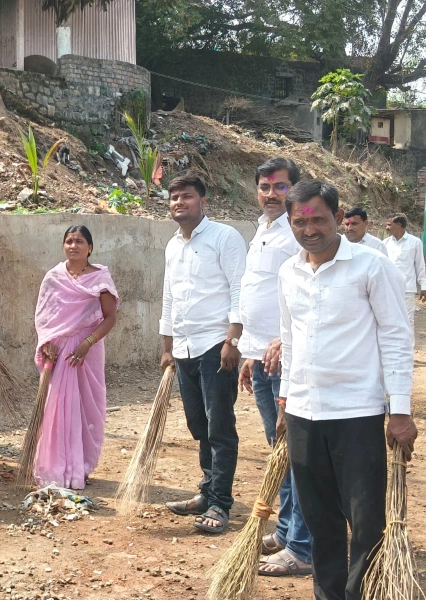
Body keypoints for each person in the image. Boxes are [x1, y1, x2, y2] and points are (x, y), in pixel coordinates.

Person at [277, 180, 417, 600]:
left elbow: (396, 337)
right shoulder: (288, 271)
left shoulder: (372, 267)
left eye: (318, 219)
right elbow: (289, 337)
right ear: (290, 222)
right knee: (321, 520)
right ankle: (329, 593)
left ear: (338, 218)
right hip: (305, 412)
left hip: (357, 412)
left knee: (367, 520)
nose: (309, 229)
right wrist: (285, 401)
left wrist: (401, 411)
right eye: (299, 221)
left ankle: (362, 592)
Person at [236, 158, 312, 576]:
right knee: (279, 450)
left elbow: (305, 294)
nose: (271, 194)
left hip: (288, 359)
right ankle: (287, 530)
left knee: (297, 454)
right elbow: (261, 295)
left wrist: (284, 341)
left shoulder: (300, 231)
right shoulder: (263, 229)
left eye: (280, 187)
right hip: (261, 357)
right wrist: (249, 349)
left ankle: (303, 546)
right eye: (265, 186)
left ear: (293, 191)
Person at [160, 173, 246, 534]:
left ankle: (220, 505)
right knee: (199, 424)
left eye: (187, 197)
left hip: (215, 345)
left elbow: (240, 289)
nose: (180, 202)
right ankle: (207, 490)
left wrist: (233, 340)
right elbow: (168, 295)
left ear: (203, 201)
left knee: (220, 426)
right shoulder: (172, 246)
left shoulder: (225, 237)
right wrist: (166, 347)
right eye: (174, 197)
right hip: (184, 347)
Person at [33, 225, 119, 490]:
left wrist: (86, 344)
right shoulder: (54, 277)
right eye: (69, 241)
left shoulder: (100, 278)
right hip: (58, 352)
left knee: (86, 406)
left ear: (89, 248)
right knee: (56, 406)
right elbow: (44, 316)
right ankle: (56, 466)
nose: (73, 246)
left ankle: (81, 466)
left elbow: (110, 317)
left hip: (87, 351)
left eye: (79, 241)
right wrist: (46, 343)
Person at [384, 212, 426, 344]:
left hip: (407, 289)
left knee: (408, 321)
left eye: (389, 225)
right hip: (388, 289)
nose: (386, 227)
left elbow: (420, 266)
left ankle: (409, 353)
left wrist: (424, 287)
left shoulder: (415, 242)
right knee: (389, 321)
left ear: (398, 225)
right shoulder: (385, 243)